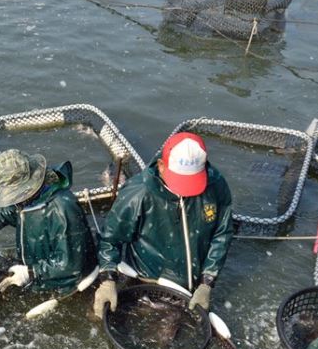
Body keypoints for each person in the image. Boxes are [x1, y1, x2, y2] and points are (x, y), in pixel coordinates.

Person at [93, 132, 234, 318]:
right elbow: (110, 239)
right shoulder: (138, 193)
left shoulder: (216, 184)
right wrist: (108, 280)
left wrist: (207, 282)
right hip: (147, 278)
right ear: (161, 166)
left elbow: (221, 233)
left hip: (195, 283)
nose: (185, 192)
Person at [0, 149, 97, 293]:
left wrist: (30, 273)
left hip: (68, 284)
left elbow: (70, 265)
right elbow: (13, 212)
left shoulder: (62, 209)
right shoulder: (29, 199)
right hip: (40, 270)